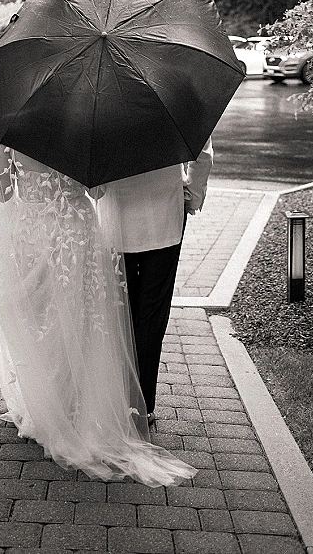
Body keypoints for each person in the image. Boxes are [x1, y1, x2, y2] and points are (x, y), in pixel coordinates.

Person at [0, 131, 198, 486]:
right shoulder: (80, 129)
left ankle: (50, 405)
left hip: (33, 232)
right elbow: (98, 191)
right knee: (81, 321)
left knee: (42, 320)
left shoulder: (7, 131)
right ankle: (85, 406)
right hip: (77, 233)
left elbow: (3, 194)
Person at [100, 139, 214, 420]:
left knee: (121, 310)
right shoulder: (178, 95)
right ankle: (142, 404)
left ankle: (120, 396)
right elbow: (202, 153)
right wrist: (192, 193)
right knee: (152, 311)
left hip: (118, 215)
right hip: (164, 213)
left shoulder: (102, 100)